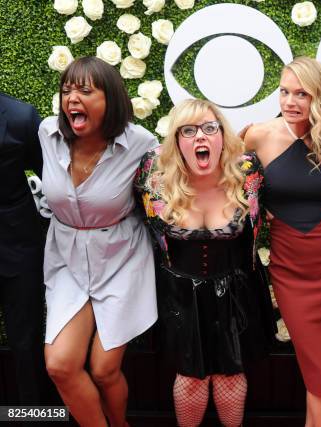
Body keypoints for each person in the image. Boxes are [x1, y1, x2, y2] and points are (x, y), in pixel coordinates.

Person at [134, 99, 275, 427]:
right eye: (189, 130)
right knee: (191, 376)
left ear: (222, 136)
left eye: (210, 128)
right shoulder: (154, 173)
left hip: (235, 290)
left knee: (230, 373)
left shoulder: (246, 170)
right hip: (179, 294)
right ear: (177, 140)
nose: (200, 137)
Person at [39, 56, 158, 427]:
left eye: (86, 90)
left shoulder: (141, 143)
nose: (72, 97)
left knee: (105, 370)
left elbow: (163, 198)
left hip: (121, 257)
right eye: (67, 90)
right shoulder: (46, 133)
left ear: (111, 100)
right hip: (67, 259)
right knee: (60, 365)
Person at [245, 56, 321, 426]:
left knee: (320, 373)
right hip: (289, 267)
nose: (290, 102)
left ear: (319, 96)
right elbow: (235, 191)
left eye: (301, 94)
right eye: (284, 92)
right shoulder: (258, 135)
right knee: (317, 371)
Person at [0, 93, 47, 405]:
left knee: (26, 343)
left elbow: (54, 178)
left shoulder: (21, 116)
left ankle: (36, 416)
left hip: (19, 248)